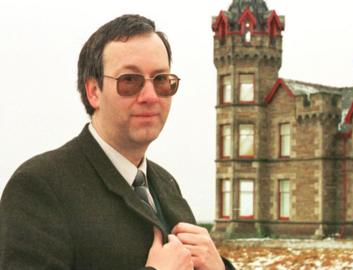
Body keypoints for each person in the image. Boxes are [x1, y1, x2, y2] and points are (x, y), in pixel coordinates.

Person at [0, 14, 234, 270]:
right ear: (93, 92)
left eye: (161, 81)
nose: (150, 96)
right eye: (129, 81)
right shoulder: (39, 186)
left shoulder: (167, 185)